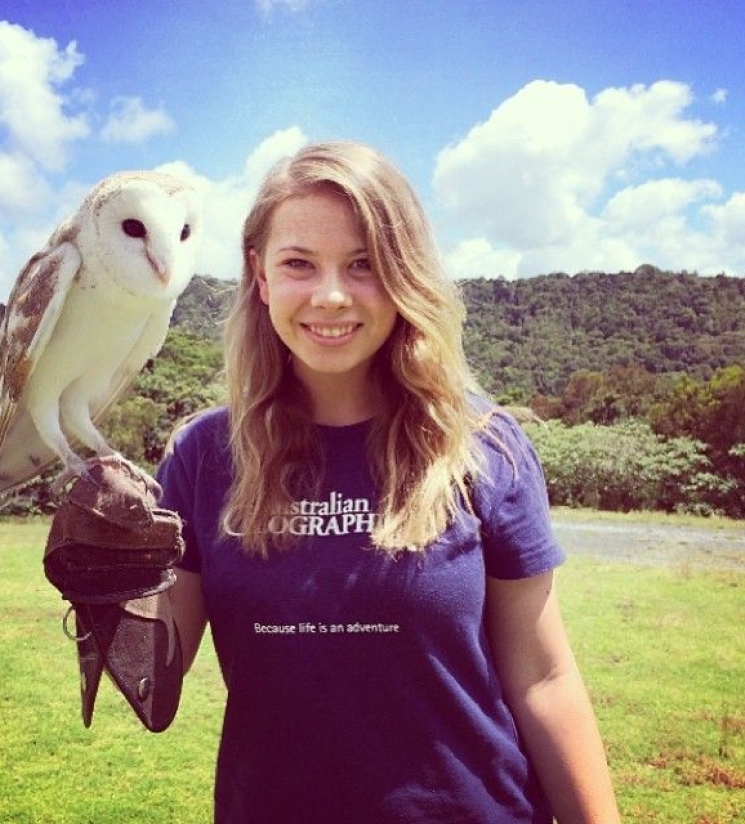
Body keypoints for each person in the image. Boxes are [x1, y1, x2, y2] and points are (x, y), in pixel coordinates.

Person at [157, 141, 621, 823]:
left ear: (404, 273)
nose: (331, 295)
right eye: (298, 264)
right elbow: (156, 689)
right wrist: (104, 586)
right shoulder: (204, 456)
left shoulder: (483, 447)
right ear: (259, 276)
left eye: (364, 264)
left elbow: (544, 678)